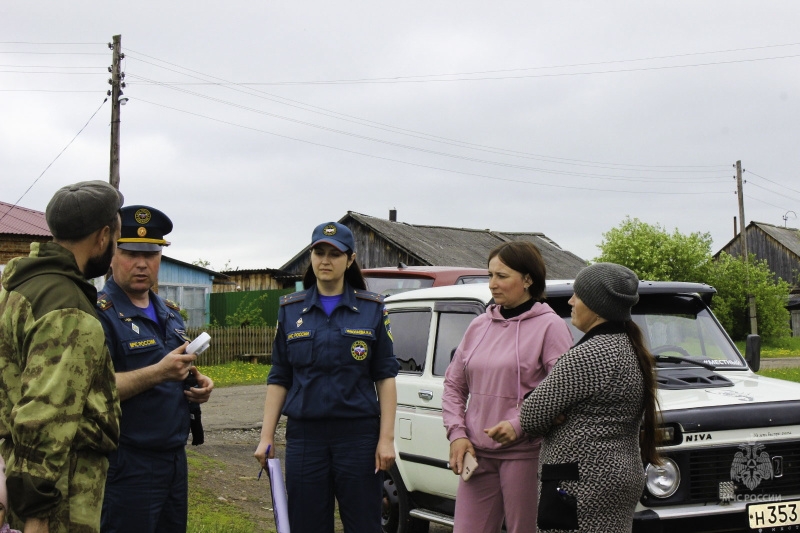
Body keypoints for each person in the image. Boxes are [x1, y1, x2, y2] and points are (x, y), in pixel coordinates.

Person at [254, 221, 399, 533]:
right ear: (311, 257)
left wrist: (386, 439)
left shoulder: (372, 309)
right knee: (307, 525)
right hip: (306, 438)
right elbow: (279, 376)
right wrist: (266, 436)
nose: (325, 260)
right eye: (319, 252)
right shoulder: (290, 310)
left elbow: (385, 377)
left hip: (358, 437)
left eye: (334, 254)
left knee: (364, 525)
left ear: (350, 259)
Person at [0, 180, 124, 533]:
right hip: (61, 491)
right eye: (116, 239)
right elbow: (46, 415)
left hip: (19, 473)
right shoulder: (68, 309)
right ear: (102, 237)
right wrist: (37, 516)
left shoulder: (22, 285)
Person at [441, 241, 574, 533]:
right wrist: (457, 434)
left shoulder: (550, 327)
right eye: (490, 275)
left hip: (526, 455)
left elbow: (564, 395)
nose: (492, 284)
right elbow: (453, 385)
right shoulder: (478, 326)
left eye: (502, 276)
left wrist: (519, 424)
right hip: (476, 454)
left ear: (528, 279)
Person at [96, 205, 214, 533]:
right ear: (111, 254)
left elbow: (172, 369)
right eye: (131, 253)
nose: (141, 263)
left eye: (151, 254)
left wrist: (197, 383)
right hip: (127, 463)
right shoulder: (98, 316)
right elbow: (94, 391)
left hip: (173, 457)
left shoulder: (169, 313)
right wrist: (159, 373)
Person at [519, 262, 661, 533]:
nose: (571, 301)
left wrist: (551, 411)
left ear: (596, 305)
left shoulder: (588, 355)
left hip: (579, 484)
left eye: (578, 295)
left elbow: (531, 418)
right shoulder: (630, 348)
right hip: (619, 477)